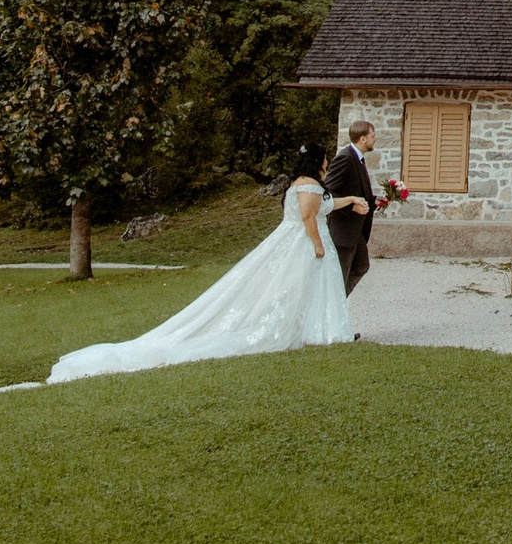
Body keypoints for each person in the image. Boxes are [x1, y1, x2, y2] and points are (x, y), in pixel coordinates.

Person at [46, 143, 365, 382]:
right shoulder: (308, 185)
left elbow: (323, 206)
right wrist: (319, 247)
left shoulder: (305, 184)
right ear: (318, 160)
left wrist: (349, 200)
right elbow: (309, 217)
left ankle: (318, 331)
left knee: (304, 289)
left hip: (299, 243)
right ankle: (307, 331)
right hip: (303, 245)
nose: (327, 162)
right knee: (294, 288)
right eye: (325, 157)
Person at [321, 120, 379, 294]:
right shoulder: (345, 158)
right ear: (363, 139)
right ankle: (332, 307)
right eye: (373, 136)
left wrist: (378, 200)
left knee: (361, 266)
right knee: (340, 275)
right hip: (343, 228)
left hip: (356, 229)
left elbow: (358, 190)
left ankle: (336, 305)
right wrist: (351, 207)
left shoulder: (358, 159)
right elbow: (328, 193)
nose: (375, 139)